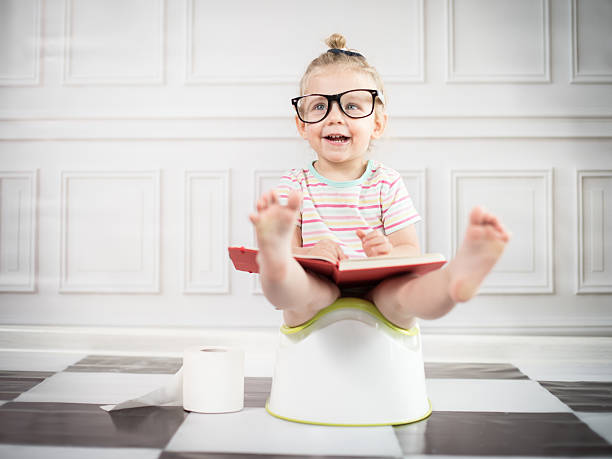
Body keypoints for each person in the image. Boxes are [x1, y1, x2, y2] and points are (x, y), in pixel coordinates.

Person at [249, 33, 510, 329]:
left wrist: (386, 251)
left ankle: (452, 282)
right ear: (301, 123)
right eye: (320, 107)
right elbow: (296, 250)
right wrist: (306, 253)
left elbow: (409, 249)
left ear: (377, 124)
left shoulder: (385, 182)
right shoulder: (294, 186)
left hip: (379, 286)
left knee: (404, 296)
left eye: (352, 106)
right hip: (317, 285)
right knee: (300, 293)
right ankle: (276, 267)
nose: (334, 117)